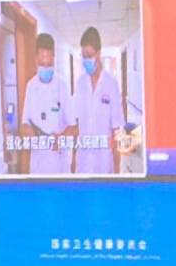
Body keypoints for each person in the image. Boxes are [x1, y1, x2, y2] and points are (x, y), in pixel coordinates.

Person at [64, 25, 141, 174]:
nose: (86, 60)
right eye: (83, 56)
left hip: (103, 163)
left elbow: (117, 130)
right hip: (83, 162)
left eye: (89, 55)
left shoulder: (111, 85)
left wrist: (117, 170)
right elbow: (77, 125)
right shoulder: (80, 84)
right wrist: (73, 160)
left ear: (98, 54)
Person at [15, 31, 71, 174]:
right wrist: (27, 131)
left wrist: (62, 137)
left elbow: (73, 127)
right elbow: (24, 124)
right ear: (35, 60)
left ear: (54, 58)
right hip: (37, 165)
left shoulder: (62, 86)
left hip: (59, 164)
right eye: (42, 64)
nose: (46, 68)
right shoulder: (31, 86)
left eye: (49, 64)